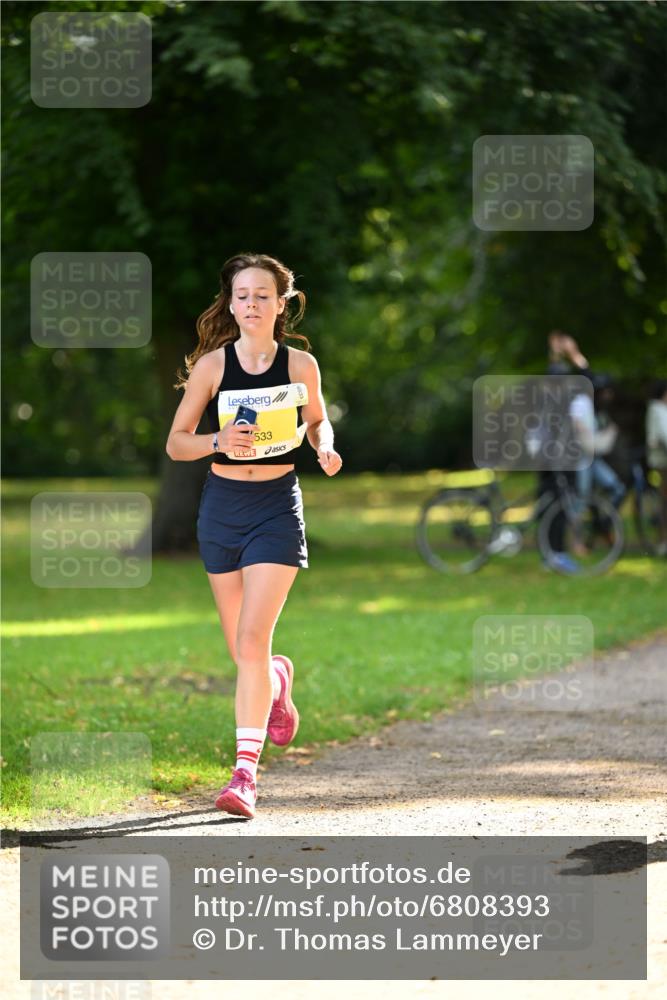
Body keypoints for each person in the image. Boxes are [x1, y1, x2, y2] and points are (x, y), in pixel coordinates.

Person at [166, 252, 343, 818]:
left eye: (262, 295)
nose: (250, 305)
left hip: (275, 507)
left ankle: (244, 776)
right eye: (241, 295)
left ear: (281, 303)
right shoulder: (213, 368)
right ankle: (277, 677)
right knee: (243, 650)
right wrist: (219, 441)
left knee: (250, 639)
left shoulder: (301, 366)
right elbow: (177, 442)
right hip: (221, 507)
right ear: (231, 302)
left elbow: (316, 419)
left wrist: (323, 444)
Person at [645, 379, 667, 555]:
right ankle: (662, 541)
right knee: (664, 502)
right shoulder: (657, 409)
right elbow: (663, 435)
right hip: (662, 463)